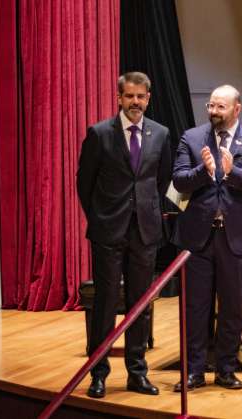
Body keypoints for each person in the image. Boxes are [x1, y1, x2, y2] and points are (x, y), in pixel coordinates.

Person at [171, 85, 242, 391]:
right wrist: (205, 170)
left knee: (231, 308)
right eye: (211, 106)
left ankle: (227, 369)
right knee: (195, 308)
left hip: (238, 239)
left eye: (220, 107)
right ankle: (194, 372)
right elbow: (178, 179)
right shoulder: (191, 138)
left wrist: (231, 173)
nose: (213, 112)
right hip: (198, 238)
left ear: (236, 109)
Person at [76, 71, 172, 398]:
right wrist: (100, 218)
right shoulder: (100, 133)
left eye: (140, 97)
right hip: (108, 231)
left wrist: (146, 211)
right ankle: (97, 374)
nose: (135, 102)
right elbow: (84, 184)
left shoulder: (160, 134)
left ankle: (137, 372)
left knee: (140, 305)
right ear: (119, 97)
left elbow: (160, 181)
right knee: (105, 304)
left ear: (148, 98)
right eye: (129, 96)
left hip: (145, 232)